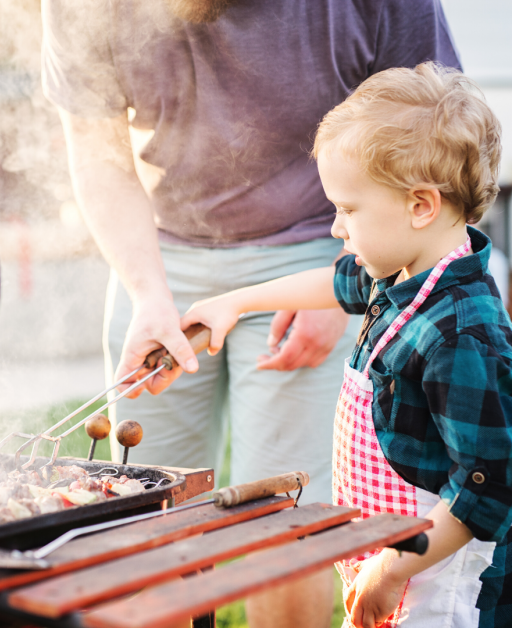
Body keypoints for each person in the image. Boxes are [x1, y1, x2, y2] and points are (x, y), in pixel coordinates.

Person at [41, 1, 460, 625]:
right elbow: (96, 148)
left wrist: (355, 285)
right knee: (139, 514)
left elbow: (434, 135)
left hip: (324, 242)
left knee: (287, 522)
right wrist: (147, 292)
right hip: (155, 251)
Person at [174, 62, 511, 628]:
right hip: (392, 553)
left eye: (348, 209)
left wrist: (392, 569)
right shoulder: (402, 270)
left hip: (443, 586)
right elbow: (334, 284)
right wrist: (237, 302)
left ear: (420, 205)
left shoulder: (462, 335)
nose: (336, 228)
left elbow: (489, 488)